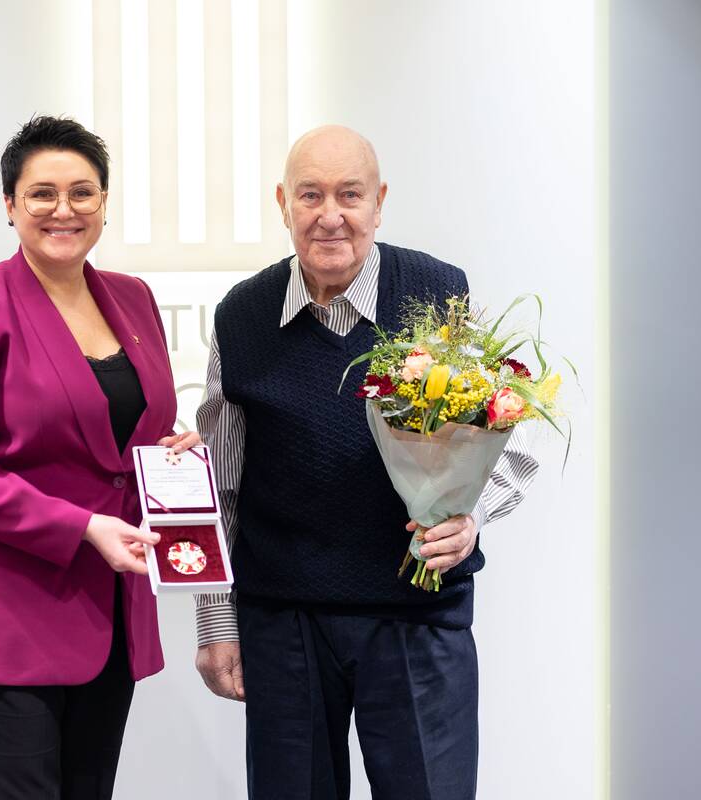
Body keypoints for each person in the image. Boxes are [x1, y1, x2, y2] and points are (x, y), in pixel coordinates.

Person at [193, 125, 539, 800]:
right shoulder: (242, 316)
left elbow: (513, 429)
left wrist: (470, 519)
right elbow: (221, 488)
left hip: (417, 613)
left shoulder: (441, 295)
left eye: (350, 195)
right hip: (284, 623)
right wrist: (216, 621)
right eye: (310, 195)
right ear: (282, 204)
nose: (331, 215)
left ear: (379, 202)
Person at [0, 115, 195, 800]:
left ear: (104, 202)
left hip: (112, 618)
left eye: (82, 192)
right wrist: (82, 527)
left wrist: (173, 449)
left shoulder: (132, 297)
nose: (63, 210)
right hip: (7, 623)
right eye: (42, 194)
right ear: (10, 205)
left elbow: (123, 434)